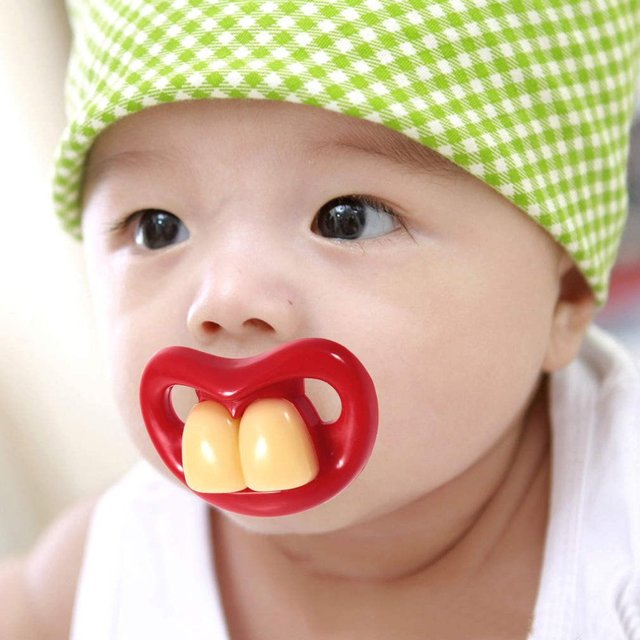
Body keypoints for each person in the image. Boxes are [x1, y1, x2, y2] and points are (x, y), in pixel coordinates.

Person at [2, 0, 639, 638]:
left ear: (568, 296)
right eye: (157, 228)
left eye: (349, 218)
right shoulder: (95, 577)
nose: (225, 299)